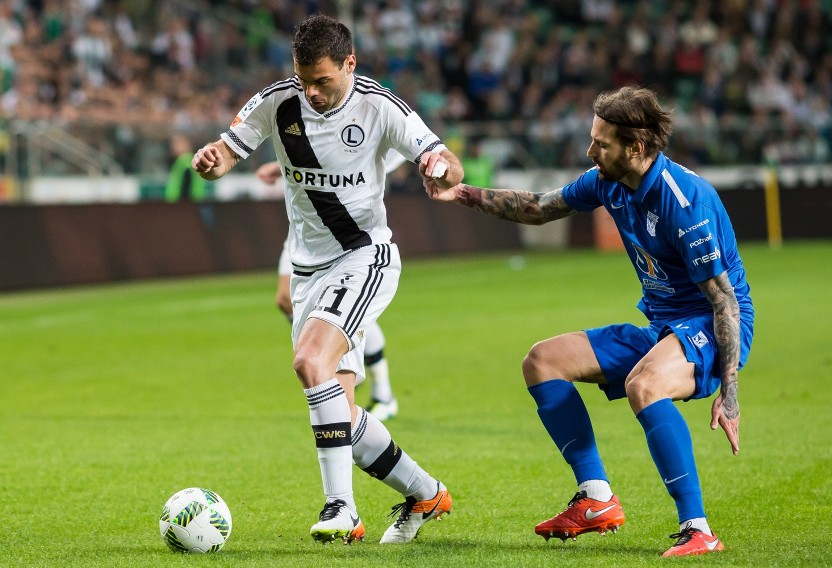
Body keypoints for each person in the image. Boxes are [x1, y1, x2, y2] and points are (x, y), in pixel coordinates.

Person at [425, 86, 753, 558]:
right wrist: (462, 193)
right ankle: (597, 498)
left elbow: (724, 302)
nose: (590, 151)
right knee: (542, 361)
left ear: (635, 148)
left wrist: (731, 394)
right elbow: (539, 207)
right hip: (664, 324)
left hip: (714, 324)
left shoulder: (685, 205)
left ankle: (697, 528)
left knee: (645, 385)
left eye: (601, 143)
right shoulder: (606, 181)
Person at [191, 14, 463, 545]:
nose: (312, 92)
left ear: (349, 64)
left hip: (365, 256)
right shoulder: (277, 101)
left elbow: (443, 158)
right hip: (308, 269)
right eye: (304, 79)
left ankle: (342, 508)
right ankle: (426, 492)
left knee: (308, 362)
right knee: (339, 412)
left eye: (324, 81)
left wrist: (438, 167)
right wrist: (211, 161)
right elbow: (227, 150)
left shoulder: (381, 107)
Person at [256, 160, 400, 422]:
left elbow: (385, 150)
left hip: (343, 228)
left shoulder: (372, 121)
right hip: (304, 226)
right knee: (285, 300)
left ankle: (382, 393)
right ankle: (335, 361)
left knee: (342, 313)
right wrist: (281, 166)